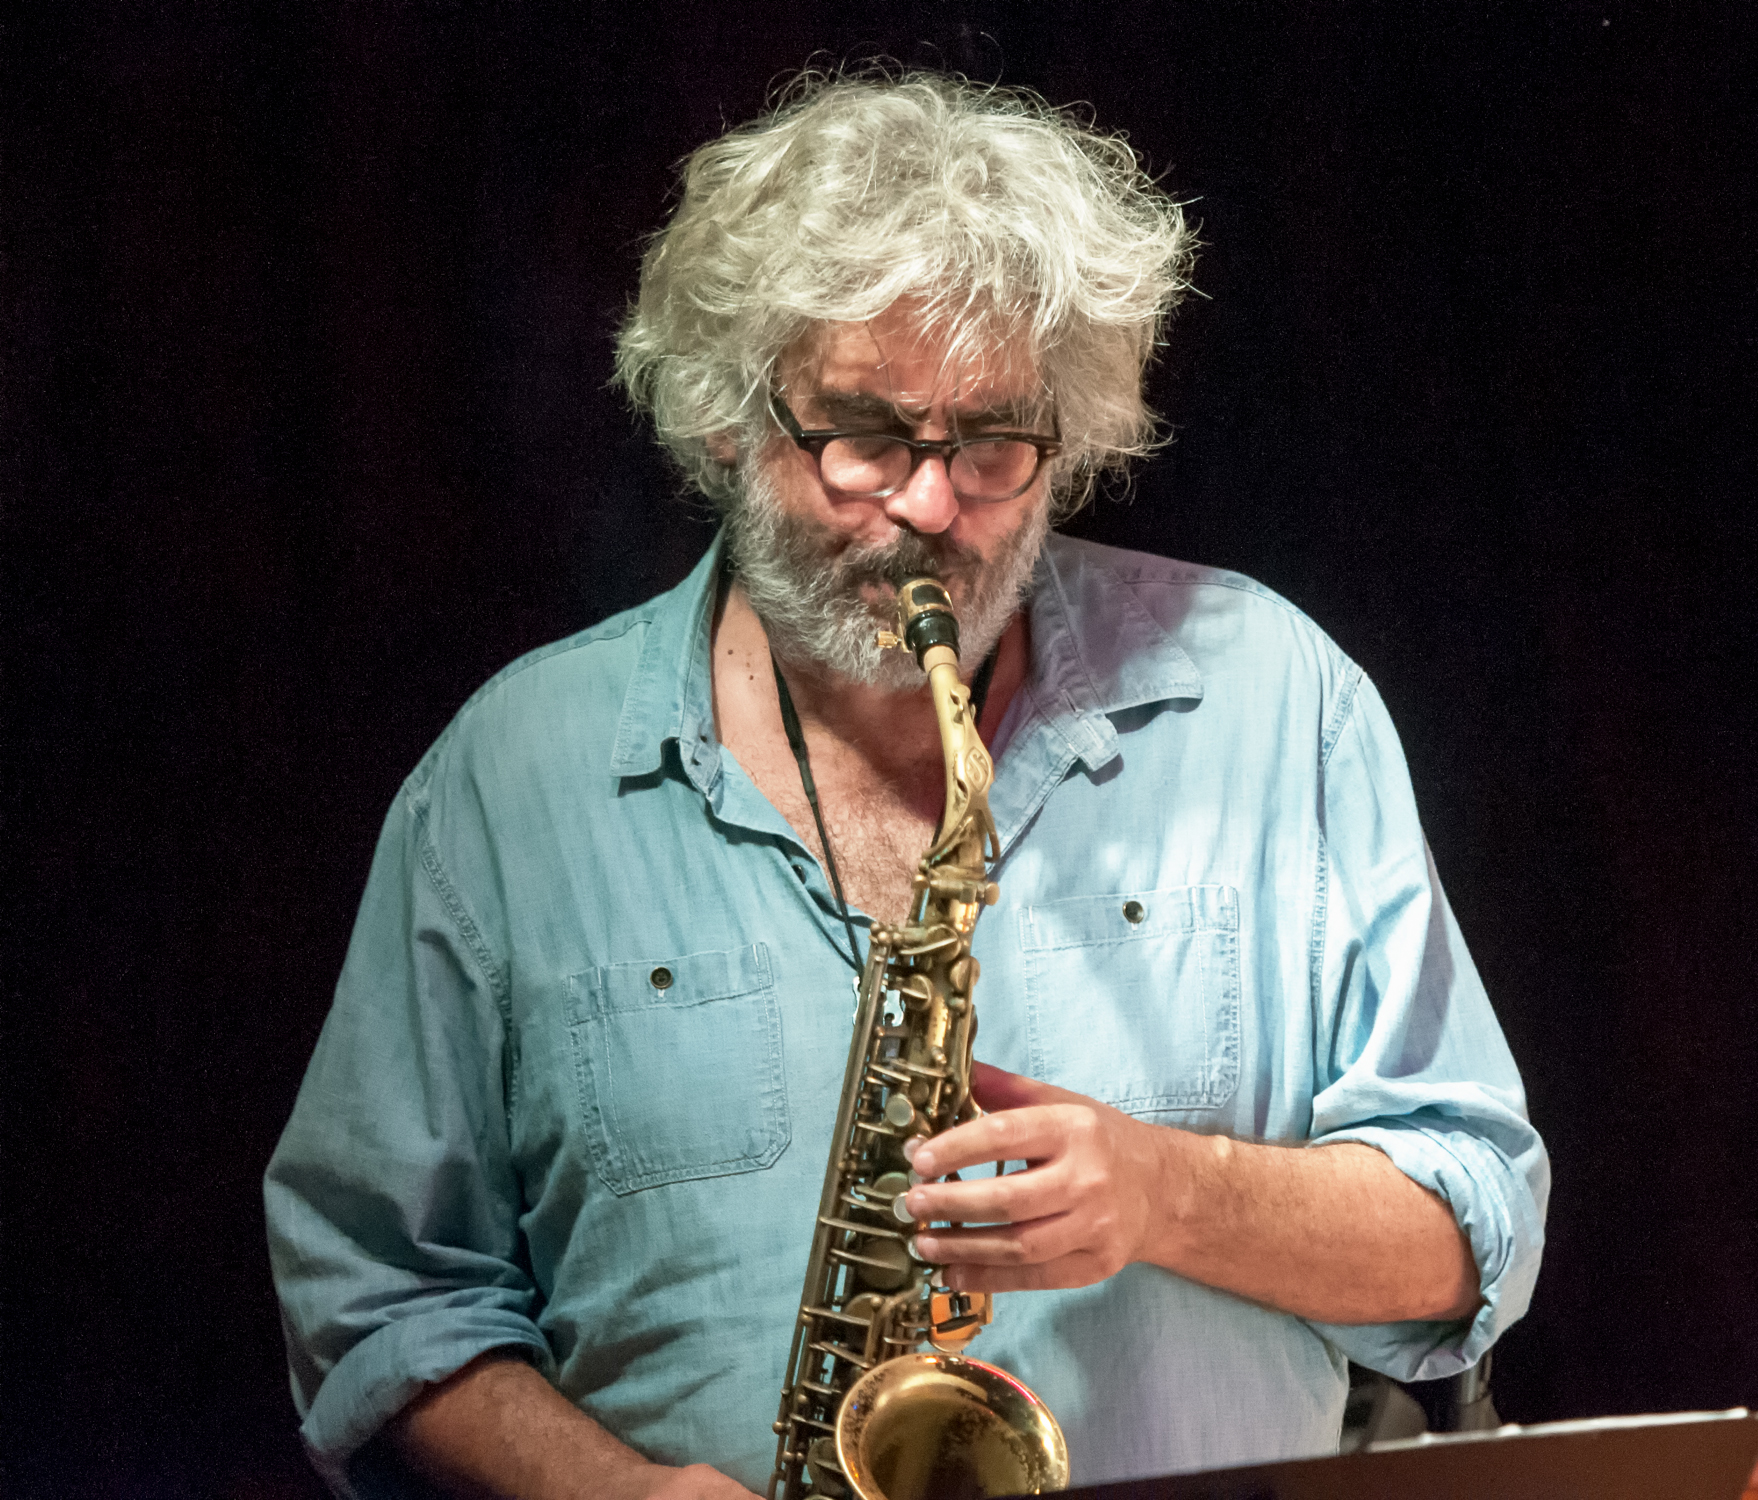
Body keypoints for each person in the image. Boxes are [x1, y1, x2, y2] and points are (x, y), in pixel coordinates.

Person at [266, 71, 1549, 1500]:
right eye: (865, 435)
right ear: (722, 423)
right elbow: (378, 1302)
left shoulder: (1272, 695)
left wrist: (1169, 1193)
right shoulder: (508, 778)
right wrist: (612, 1494)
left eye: (993, 440)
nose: (931, 509)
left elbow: (1472, 1225)